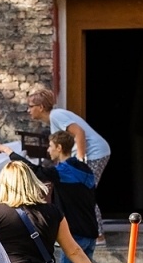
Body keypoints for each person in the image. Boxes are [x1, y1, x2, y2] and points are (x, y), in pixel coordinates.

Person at [26, 88, 112, 235]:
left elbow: (79, 132)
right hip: (90, 154)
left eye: (30, 106)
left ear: (41, 107)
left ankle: (97, 234)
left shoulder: (56, 115)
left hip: (95, 153)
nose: (28, 110)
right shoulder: (54, 119)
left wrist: (80, 159)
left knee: (85, 191)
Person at [45, 133, 103, 263]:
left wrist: (10, 153)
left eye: (50, 146)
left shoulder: (62, 171)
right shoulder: (85, 169)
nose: (48, 150)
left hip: (75, 234)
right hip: (90, 232)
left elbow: (38, 172)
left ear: (59, 147)